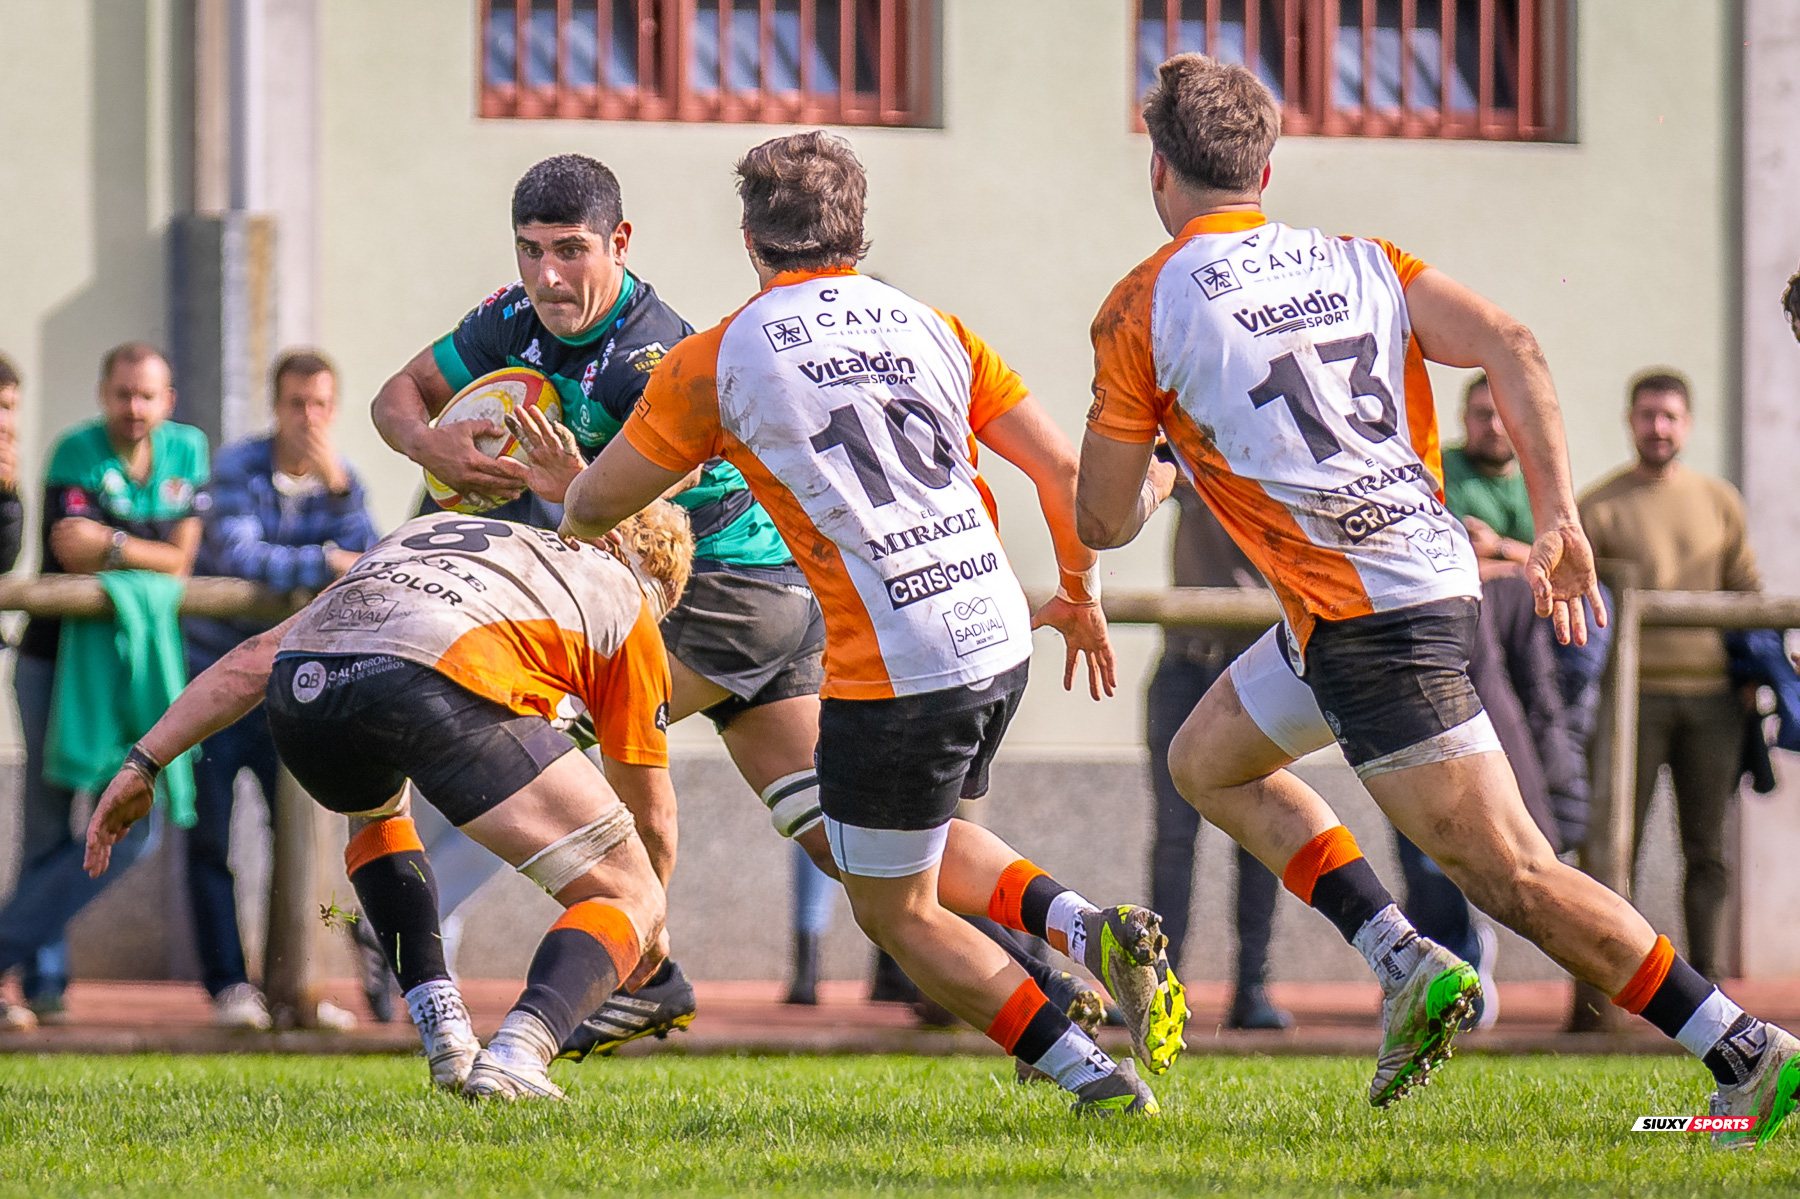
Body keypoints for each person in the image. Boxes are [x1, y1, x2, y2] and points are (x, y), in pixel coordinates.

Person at [1075, 53, 1798, 1145]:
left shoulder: (1141, 307)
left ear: (1157, 170)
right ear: (1268, 167)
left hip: (1370, 622)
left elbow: (1102, 519)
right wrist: (1556, 514)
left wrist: (1169, 465)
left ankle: (1745, 1048)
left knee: (1513, 874)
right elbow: (1513, 342)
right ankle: (1403, 961)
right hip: (1391, 590)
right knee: (1206, 757)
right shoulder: (1361, 259)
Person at [371, 153, 1105, 1058]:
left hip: (721, 592)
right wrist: (429, 444)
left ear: (620, 244)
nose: (549, 275)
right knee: (856, 847)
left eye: (569, 251)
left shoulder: (656, 356)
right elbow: (396, 395)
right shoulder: (512, 318)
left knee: (543, 733)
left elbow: (643, 534)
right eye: (530, 252)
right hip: (768, 603)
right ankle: (1050, 958)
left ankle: (639, 972)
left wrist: (573, 491)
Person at [559, 130, 1186, 1115]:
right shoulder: (931, 324)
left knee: (895, 908)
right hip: (997, 636)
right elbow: (1061, 471)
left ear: (750, 238)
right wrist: (1078, 585)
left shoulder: (715, 356)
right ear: (856, 227)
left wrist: (562, 485)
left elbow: (597, 506)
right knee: (899, 843)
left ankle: (1088, 1071)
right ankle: (1084, 926)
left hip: (901, 664)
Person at [87, 503, 692, 1100]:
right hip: (432, 683)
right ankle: (518, 1054)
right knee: (627, 891)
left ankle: (447, 1034)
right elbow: (653, 816)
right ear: (651, 580)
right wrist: (646, 928)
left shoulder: (434, 533)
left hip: (304, 697)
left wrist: (144, 762)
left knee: (378, 812)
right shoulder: (627, 600)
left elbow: (253, 659)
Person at [0, 342, 208, 1027]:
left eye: (147, 394)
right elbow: (66, 547)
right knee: (44, 829)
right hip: (54, 662)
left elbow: (180, 560)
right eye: (122, 393)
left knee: (138, 828)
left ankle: (5, 953)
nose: (134, 407)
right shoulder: (72, 450)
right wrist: (147, 550)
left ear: (169, 399)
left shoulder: (190, 450)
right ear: (102, 393)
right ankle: (44, 983)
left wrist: (114, 545)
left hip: (142, 666)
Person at [181, 348, 378, 1029]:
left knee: (304, 846)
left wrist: (340, 493)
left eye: (320, 405)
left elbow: (373, 558)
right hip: (215, 676)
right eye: (296, 404)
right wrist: (321, 560)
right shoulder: (237, 466)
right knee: (210, 841)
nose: (308, 418)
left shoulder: (340, 479)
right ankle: (230, 986)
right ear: (275, 406)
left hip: (294, 687)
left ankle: (302, 985)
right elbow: (237, 555)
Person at [1580, 371, 1762, 984]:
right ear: (1630, 420)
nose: (1658, 427)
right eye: (1648, 414)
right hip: (1628, 703)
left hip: (1713, 701)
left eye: (1670, 416)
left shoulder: (1720, 500)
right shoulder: (1598, 505)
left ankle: (1709, 990)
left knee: (1708, 850)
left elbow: (1747, 593)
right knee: (1611, 851)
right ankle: (1609, 991)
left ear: (1687, 424)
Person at [1145, 480, 1289, 1030]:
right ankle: (1159, 988)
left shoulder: (1283, 461)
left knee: (1260, 837)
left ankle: (1252, 987)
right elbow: (1132, 478)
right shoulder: (1194, 446)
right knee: (1175, 838)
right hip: (1188, 662)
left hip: (1259, 665)